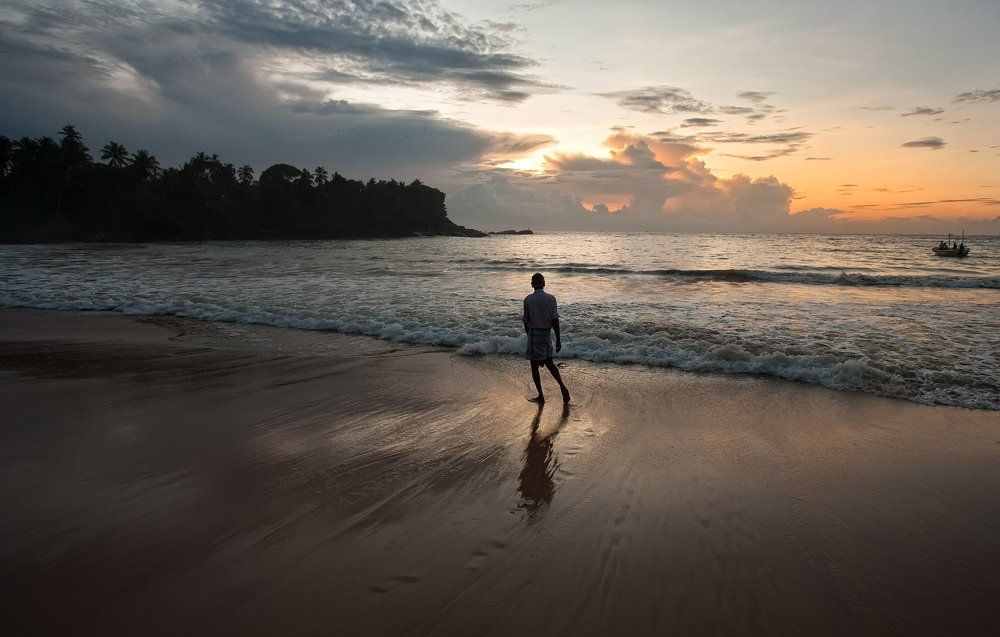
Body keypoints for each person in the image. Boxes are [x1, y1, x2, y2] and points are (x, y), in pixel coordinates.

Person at [522, 273, 570, 404]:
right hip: (546, 334)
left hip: (533, 333)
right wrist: (558, 339)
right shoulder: (551, 299)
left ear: (532, 284)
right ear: (544, 283)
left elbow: (526, 321)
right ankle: (563, 387)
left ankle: (541, 396)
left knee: (534, 366)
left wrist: (529, 336)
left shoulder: (528, 299)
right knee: (550, 363)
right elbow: (555, 321)